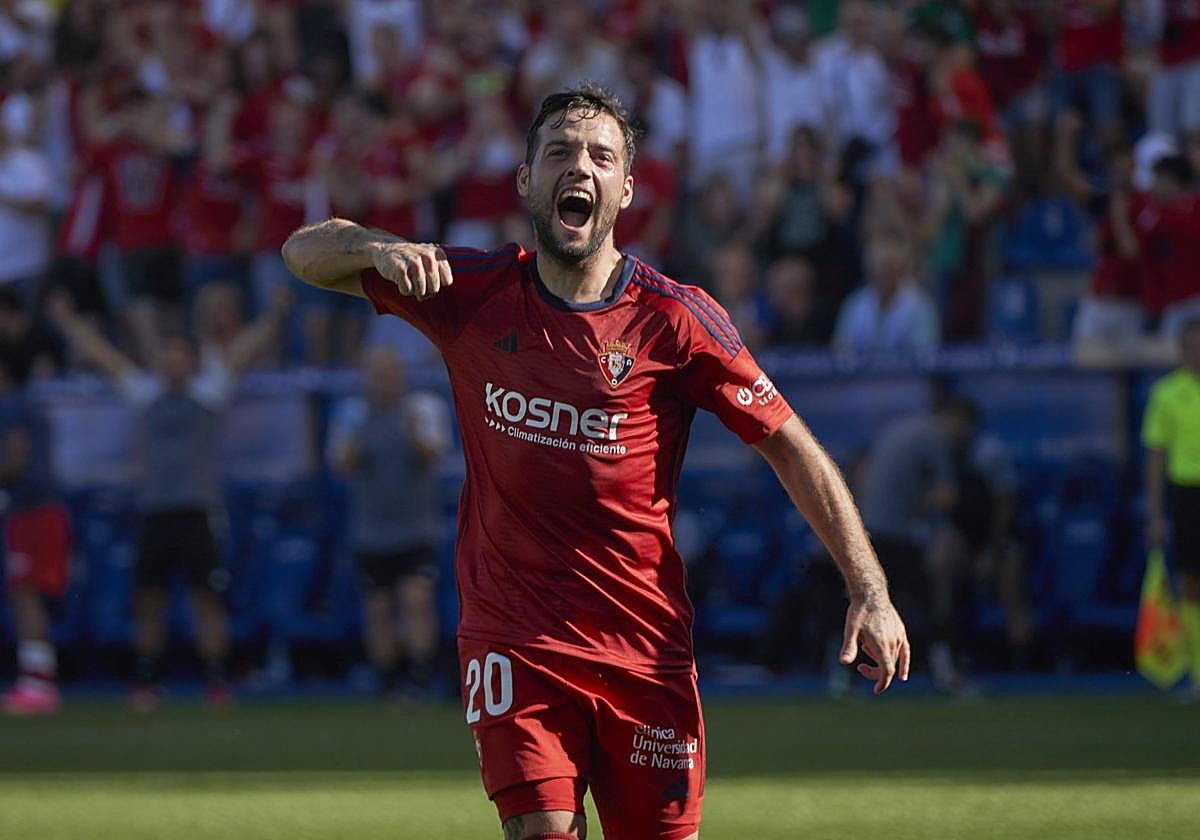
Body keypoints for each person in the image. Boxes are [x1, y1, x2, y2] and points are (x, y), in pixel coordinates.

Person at [283, 84, 908, 840]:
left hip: (643, 649)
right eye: (559, 152)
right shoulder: (469, 290)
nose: (579, 166)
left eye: (600, 156)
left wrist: (868, 587)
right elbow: (303, 252)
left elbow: (791, 445)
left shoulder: (674, 319)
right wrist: (376, 248)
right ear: (525, 180)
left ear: (626, 188)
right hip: (515, 638)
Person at [47, 289, 289, 710]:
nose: (173, 361)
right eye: (167, 354)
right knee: (149, 600)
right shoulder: (144, 393)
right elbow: (103, 355)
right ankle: (146, 680)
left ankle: (215, 679)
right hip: (154, 512)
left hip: (198, 511)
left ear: (192, 360)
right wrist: (68, 321)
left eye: (180, 354)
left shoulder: (208, 392)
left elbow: (243, 351)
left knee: (206, 600)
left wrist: (275, 312)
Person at [328, 346, 450, 699]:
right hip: (371, 528)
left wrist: (411, 431)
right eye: (376, 375)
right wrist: (357, 437)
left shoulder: (422, 409)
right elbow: (342, 466)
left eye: (388, 374)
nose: (382, 383)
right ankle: (387, 678)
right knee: (378, 606)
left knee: (416, 599)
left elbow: (433, 456)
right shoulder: (353, 414)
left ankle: (421, 673)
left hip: (416, 526)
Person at [859, 396, 980, 692]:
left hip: (867, 534)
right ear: (956, 420)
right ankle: (947, 674)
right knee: (932, 604)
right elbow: (947, 496)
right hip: (895, 536)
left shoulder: (903, 429)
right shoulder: (935, 439)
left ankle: (844, 680)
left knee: (867, 607)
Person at [0, 365, 72, 716]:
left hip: (32, 512)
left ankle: (38, 683)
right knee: (26, 594)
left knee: (25, 594)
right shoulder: (27, 405)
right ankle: (38, 679)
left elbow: (15, 460)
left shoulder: (11, 407)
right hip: (40, 510)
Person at [1143, 317, 1200, 701]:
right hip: (1186, 493)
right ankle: (1199, 674)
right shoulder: (1167, 392)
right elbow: (1155, 457)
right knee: (1192, 585)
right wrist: (1155, 514)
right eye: (1191, 346)